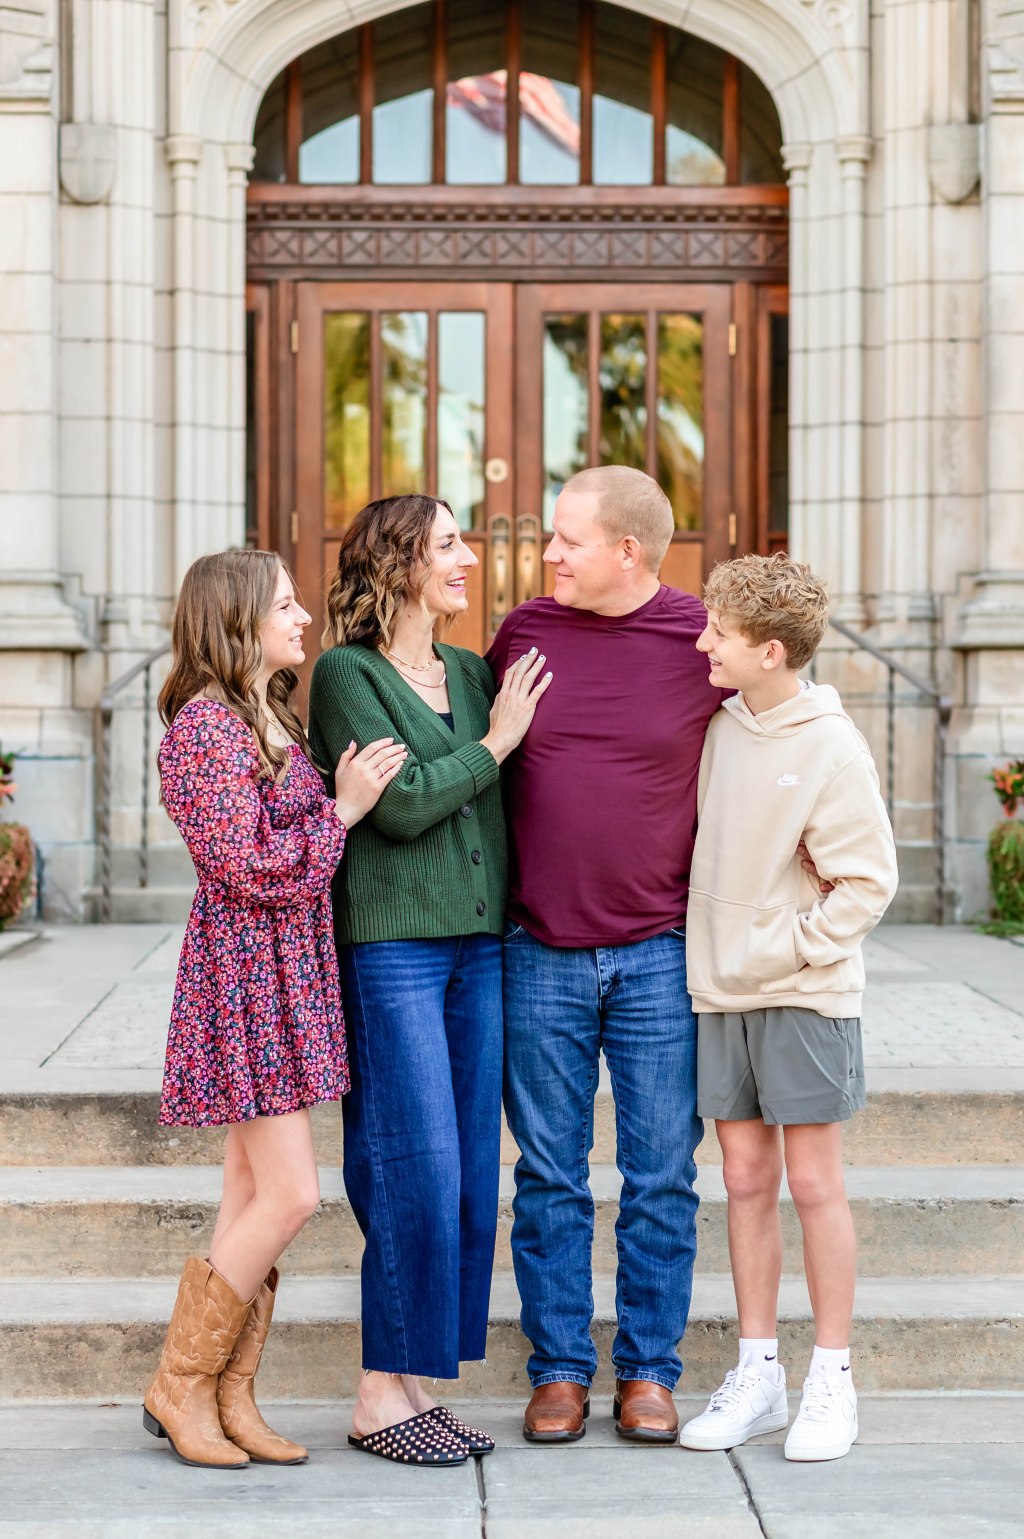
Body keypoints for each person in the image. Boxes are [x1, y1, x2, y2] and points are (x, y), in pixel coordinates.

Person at [143, 550, 405, 1470]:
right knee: (291, 1194)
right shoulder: (205, 730)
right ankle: (177, 1384)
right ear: (237, 620)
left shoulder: (267, 716)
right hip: (246, 981)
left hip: (287, 974)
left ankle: (224, 1392)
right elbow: (250, 867)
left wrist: (331, 808)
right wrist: (346, 808)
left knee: (248, 1195)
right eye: (285, 604)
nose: (304, 617)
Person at [308, 494, 550, 1467]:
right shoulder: (343, 675)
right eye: (449, 543)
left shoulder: (470, 668)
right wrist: (494, 745)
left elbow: (460, 795)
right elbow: (402, 805)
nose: (469, 556)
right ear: (401, 561)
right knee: (412, 1164)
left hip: (479, 945)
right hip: (394, 948)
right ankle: (377, 1396)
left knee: (467, 1180)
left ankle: (413, 1384)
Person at [486, 465, 721, 1444]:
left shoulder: (701, 640)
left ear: (627, 549)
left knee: (662, 1172)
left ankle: (649, 1373)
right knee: (548, 1175)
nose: (546, 557)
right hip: (539, 945)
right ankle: (558, 1372)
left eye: (565, 539)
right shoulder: (524, 634)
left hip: (662, 951)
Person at [678, 553, 898, 1463]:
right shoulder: (724, 727)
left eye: (718, 633)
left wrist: (791, 943)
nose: (702, 643)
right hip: (722, 987)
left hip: (805, 992)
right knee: (741, 1179)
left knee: (813, 1183)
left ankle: (831, 1379)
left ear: (770, 651)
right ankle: (759, 1369)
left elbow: (869, 881)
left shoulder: (831, 744)